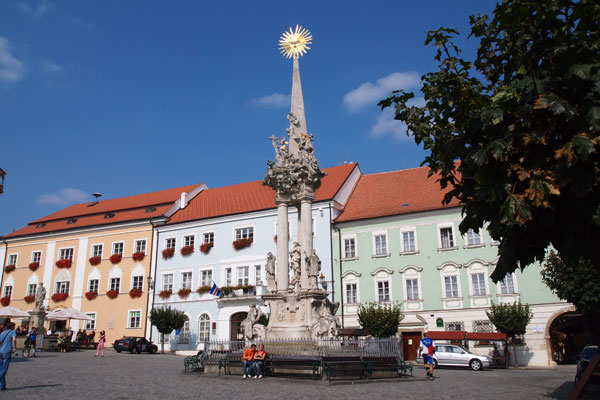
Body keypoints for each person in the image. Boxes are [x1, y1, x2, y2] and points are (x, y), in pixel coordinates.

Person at [0, 322, 17, 391]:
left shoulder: (2, 333)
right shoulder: (13, 332)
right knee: (4, 369)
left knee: (1, 369)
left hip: (1, 351)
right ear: (12, 327)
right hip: (7, 351)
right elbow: (14, 339)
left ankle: (2, 386)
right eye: (14, 326)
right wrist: (14, 347)